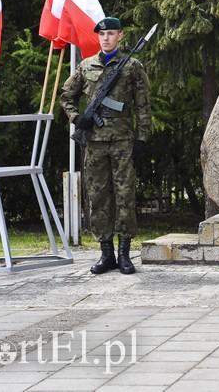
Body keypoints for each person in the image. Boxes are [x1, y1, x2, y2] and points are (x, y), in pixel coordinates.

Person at [61, 17, 152, 275]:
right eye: (102, 34)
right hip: (94, 144)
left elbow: (144, 106)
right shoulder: (86, 66)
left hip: (123, 141)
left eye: (110, 33)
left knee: (125, 197)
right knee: (98, 197)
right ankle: (106, 253)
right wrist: (77, 118)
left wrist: (142, 139)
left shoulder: (132, 66)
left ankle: (124, 253)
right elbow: (67, 97)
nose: (105, 38)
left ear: (120, 36)